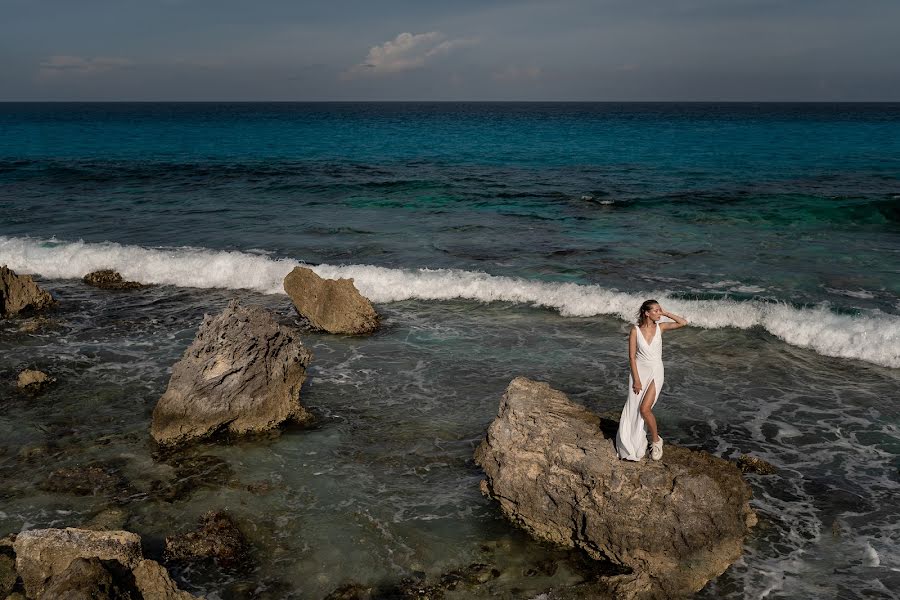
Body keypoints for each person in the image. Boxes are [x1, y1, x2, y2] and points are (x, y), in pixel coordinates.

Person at [615, 299, 687, 461]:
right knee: (634, 408)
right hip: (638, 373)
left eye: (659, 310)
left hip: (656, 371)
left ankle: (656, 441)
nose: (659, 313)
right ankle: (634, 440)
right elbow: (632, 357)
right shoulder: (635, 331)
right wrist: (636, 380)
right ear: (646, 313)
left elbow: (683, 322)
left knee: (645, 409)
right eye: (656, 310)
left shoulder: (661, 327)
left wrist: (666, 312)